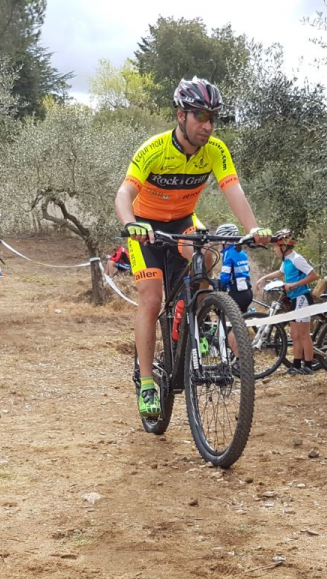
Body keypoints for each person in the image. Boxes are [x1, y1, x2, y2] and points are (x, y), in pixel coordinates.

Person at [114, 76, 269, 418]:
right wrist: (130, 225)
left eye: (212, 117)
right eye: (200, 116)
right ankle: (147, 382)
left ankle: (197, 315)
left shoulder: (215, 150)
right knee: (151, 299)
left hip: (183, 220)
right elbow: (124, 193)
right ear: (181, 115)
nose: (208, 125)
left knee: (208, 251)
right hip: (146, 228)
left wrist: (253, 228)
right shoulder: (153, 149)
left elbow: (234, 190)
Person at [255, 230, 319, 375]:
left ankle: (308, 365)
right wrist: (263, 278)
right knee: (295, 334)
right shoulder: (286, 260)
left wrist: (295, 284)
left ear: (283, 247)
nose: (274, 250)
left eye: (276, 247)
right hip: (293, 299)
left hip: (302, 297)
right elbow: (280, 273)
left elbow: (313, 275)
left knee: (304, 334)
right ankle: (296, 364)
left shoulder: (297, 259)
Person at [215, 223, 252, 313]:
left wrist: (221, 287)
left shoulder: (228, 253)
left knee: (227, 319)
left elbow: (225, 275)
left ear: (225, 240)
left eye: (220, 240)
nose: (219, 243)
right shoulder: (241, 252)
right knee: (243, 321)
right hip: (248, 292)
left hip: (236, 293)